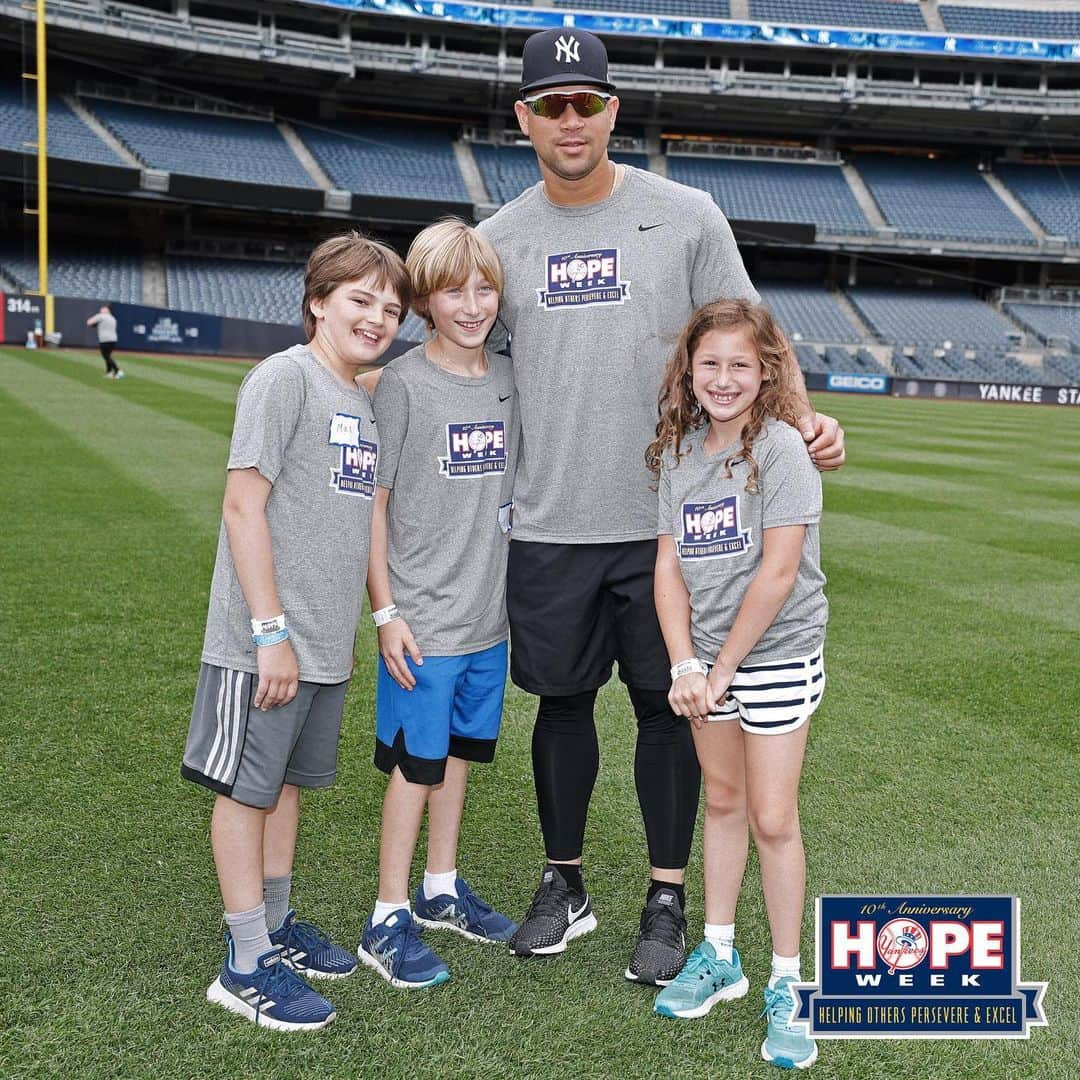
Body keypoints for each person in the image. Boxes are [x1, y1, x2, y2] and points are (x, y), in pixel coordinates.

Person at [475, 28, 844, 982]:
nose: (569, 119)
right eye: (550, 104)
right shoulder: (499, 239)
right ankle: (566, 884)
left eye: (585, 102)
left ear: (613, 111)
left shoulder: (685, 214)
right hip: (551, 516)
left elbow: (755, 334)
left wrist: (803, 425)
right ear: (522, 118)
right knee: (560, 706)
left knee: (664, 707)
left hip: (667, 523)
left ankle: (668, 894)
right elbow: (467, 360)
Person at [180, 231, 410, 1030]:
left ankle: (274, 927)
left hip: (322, 643)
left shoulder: (359, 396)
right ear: (318, 301)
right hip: (265, 642)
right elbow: (243, 505)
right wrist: (268, 631)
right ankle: (244, 961)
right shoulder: (284, 379)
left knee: (283, 788)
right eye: (360, 300)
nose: (378, 317)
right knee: (246, 792)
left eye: (391, 306)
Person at [648, 300, 825, 1071]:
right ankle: (719, 955)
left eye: (740, 365)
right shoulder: (678, 452)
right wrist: (685, 663)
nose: (723, 379)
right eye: (710, 363)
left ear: (766, 373)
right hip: (709, 661)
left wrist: (719, 671)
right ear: (689, 369)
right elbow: (668, 569)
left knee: (772, 817)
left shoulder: (783, 448)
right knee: (721, 803)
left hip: (776, 654)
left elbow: (779, 572)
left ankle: (790, 983)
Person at [357, 218, 519, 990]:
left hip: (490, 622)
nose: (472, 303)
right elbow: (373, 506)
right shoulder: (401, 384)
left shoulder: (510, 376)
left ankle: (439, 889)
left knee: (457, 761)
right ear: (424, 299)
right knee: (414, 770)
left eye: (484, 288)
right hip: (421, 624)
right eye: (454, 290)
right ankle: (386, 914)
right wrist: (386, 613)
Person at [86, 304, 123, 378]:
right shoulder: (113, 318)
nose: (101, 310)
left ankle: (117, 371)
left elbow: (89, 322)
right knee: (108, 356)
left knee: (106, 356)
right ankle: (109, 372)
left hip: (105, 339)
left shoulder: (101, 316)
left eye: (102, 309)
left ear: (105, 309)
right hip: (113, 339)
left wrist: (95, 324)